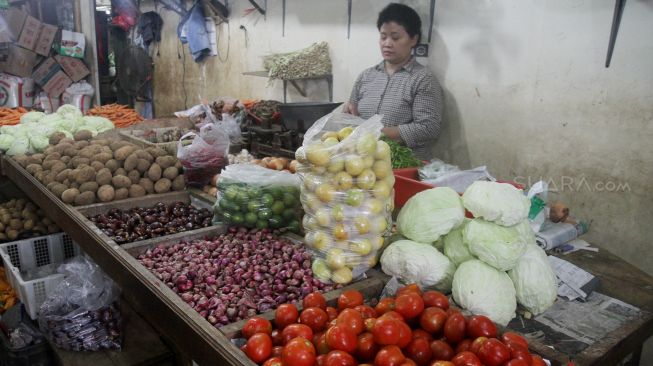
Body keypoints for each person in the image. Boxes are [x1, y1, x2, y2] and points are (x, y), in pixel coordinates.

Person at [344, 3, 443, 161]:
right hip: (362, 164)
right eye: (383, 37)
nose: (387, 43)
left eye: (395, 37)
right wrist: (347, 116)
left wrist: (376, 132)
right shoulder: (366, 76)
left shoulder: (422, 79)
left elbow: (428, 128)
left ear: (414, 39)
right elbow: (350, 115)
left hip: (404, 165)